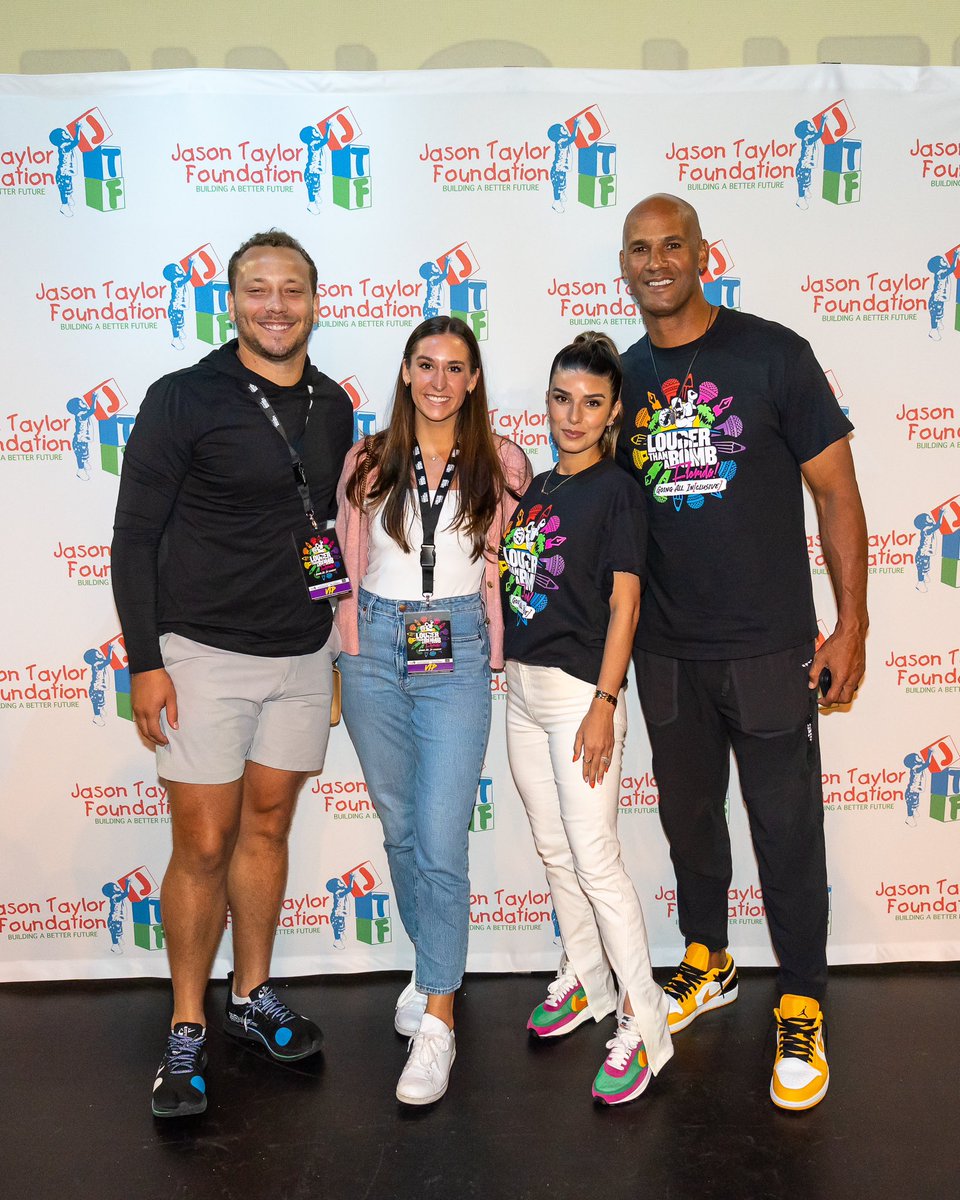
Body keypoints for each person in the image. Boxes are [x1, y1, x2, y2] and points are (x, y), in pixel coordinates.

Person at [615, 194, 868, 1112]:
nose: (656, 262)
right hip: (666, 653)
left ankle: (801, 996)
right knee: (689, 821)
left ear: (702, 254)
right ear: (625, 266)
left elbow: (837, 494)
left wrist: (852, 625)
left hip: (769, 650)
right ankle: (706, 958)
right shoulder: (626, 377)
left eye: (671, 245)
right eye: (639, 249)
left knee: (787, 831)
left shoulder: (772, 354)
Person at [112, 230, 352, 1118]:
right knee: (203, 845)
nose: (277, 304)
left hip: (299, 655)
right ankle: (187, 1025)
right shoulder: (182, 398)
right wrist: (145, 661)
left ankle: (251, 997)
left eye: (293, 288)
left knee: (265, 831)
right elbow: (134, 536)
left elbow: (326, 531)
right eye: (259, 288)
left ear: (315, 301)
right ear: (234, 301)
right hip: (201, 656)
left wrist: (330, 651)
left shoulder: (334, 407)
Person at [335, 315, 530, 1106]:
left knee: (444, 835)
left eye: (455, 367)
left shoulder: (505, 464)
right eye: (425, 365)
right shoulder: (368, 458)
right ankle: (431, 967)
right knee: (401, 828)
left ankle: (440, 1019)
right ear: (406, 372)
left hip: (452, 644)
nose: (439, 381)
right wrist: (339, 643)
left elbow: (525, 566)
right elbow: (336, 555)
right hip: (374, 646)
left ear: (475, 379)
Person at [500, 332, 672, 1106]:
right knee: (552, 847)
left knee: (595, 857)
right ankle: (586, 977)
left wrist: (605, 703)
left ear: (613, 414)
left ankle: (645, 1025)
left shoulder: (618, 491)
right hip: (522, 693)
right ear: (548, 402)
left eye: (592, 403)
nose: (574, 415)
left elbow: (625, 603)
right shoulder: (537, 488)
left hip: (579, 696)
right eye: (562, 399)